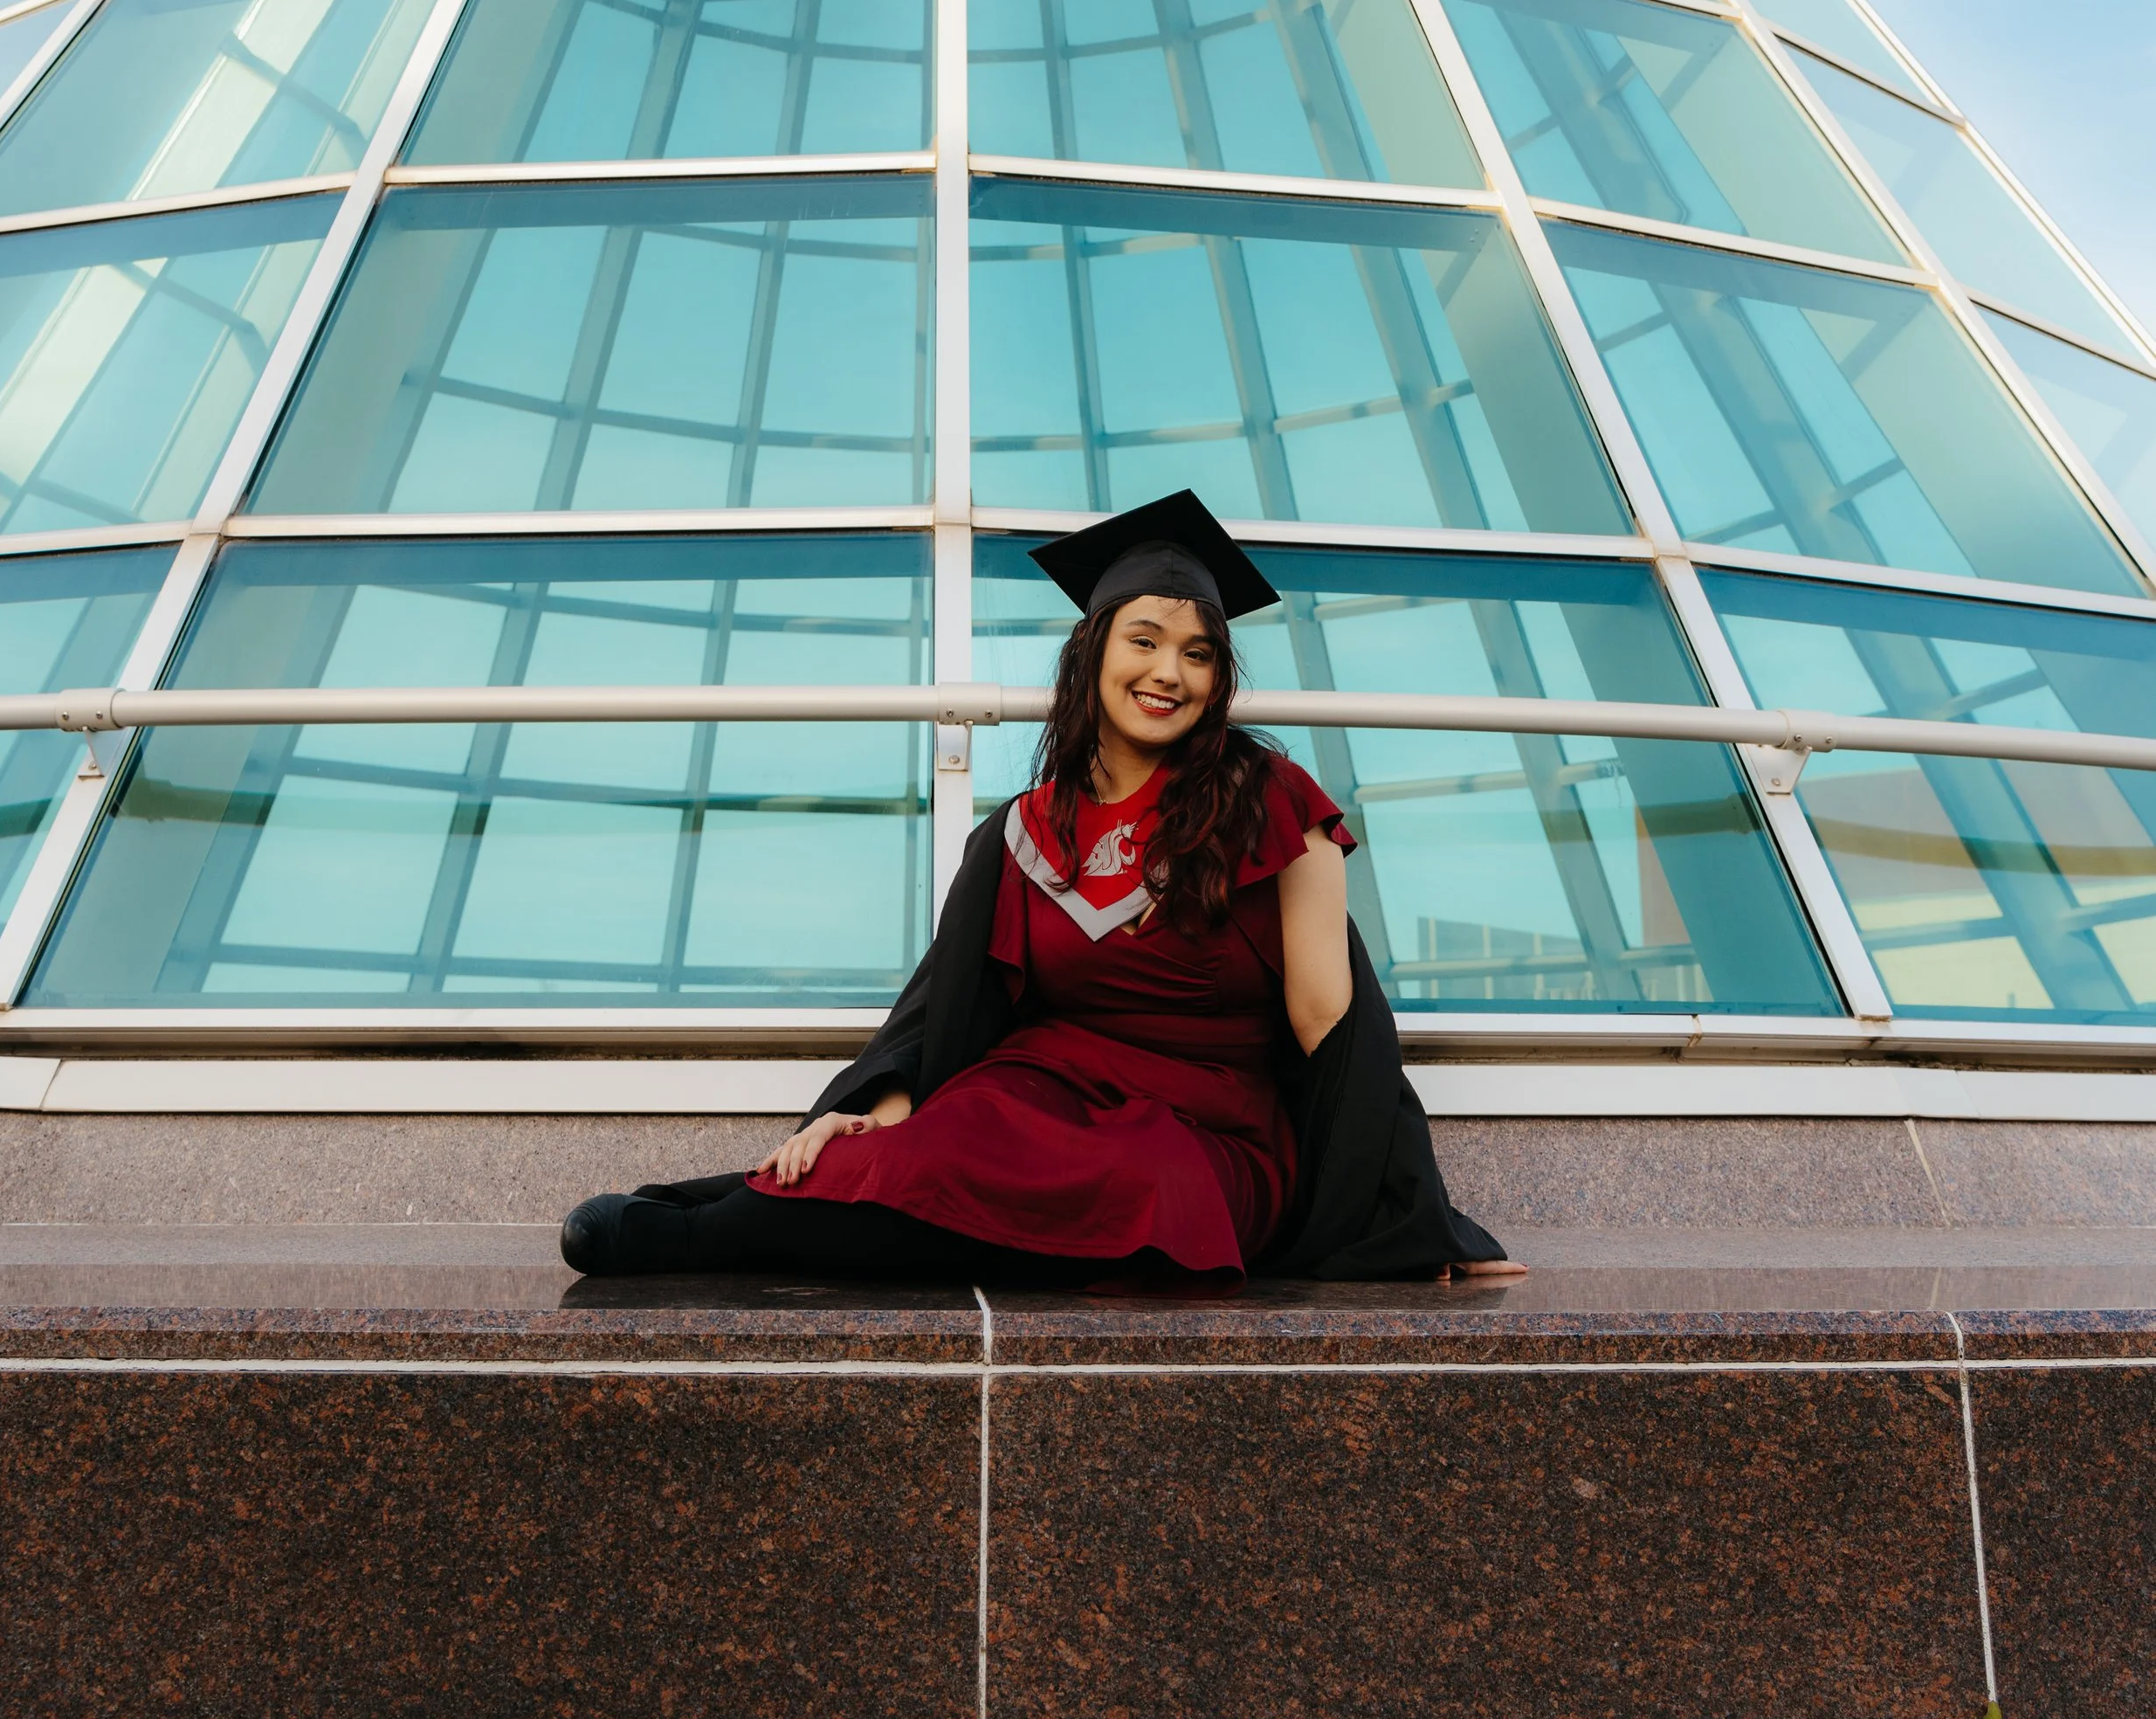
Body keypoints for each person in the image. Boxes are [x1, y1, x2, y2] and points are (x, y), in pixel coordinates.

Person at [561, 491, 1523, 1288]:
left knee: (1142, 1197)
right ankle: (701, 1229)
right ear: (1094, 651)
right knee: (899, 1159)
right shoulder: (1021, 833)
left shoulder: (1273, 804)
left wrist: (1411, 1213)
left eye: (1198, 654)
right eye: (1144, 641)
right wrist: (871, 1114)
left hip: (1206, 1125)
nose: (1168, 673)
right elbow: (945, 1012)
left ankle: (719, 1237)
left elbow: (1334, 1023)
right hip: (1035, 1095)